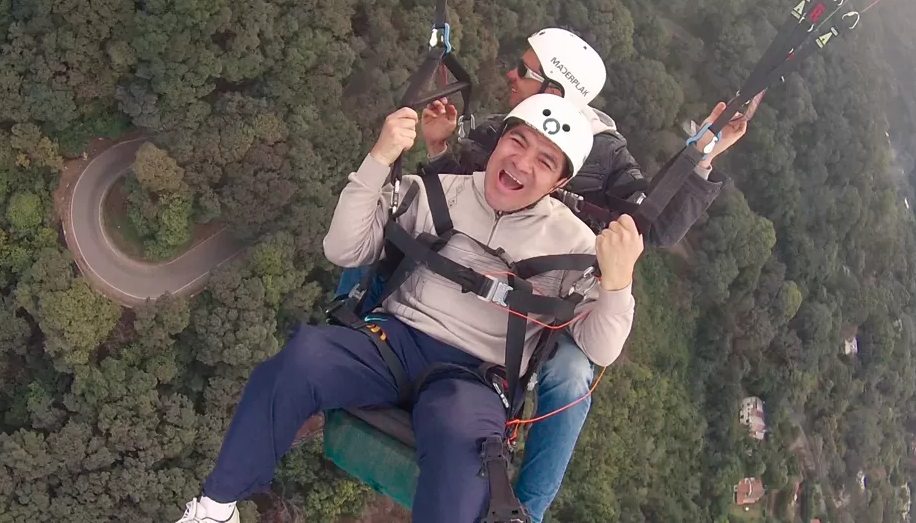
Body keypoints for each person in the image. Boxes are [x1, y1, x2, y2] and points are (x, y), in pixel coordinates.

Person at [335, 27, 749, 522]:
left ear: (555, 92)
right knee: (386, 229)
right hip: (478, 272)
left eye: (524, 70)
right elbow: (457, 189)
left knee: (573, 376)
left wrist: (701, 158)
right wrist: (442, 151)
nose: (510, 75)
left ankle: (525, 512)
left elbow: (651, 222)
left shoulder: (608, 155)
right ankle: (353, 331)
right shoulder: (504, 127)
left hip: (554, 297)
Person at [173, 93, 645, 523]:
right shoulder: (438, 192)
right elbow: (343, 249)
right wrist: (379, 159)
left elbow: (598, 349)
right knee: (303, 358)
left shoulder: (576, 247)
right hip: (393, 341)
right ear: (499, 141)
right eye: (516, 142)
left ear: (561, 181)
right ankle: (215, 508)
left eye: (544, 161)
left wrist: (618, 282)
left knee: (467, 462)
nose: (521, 162)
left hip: (476, 377)